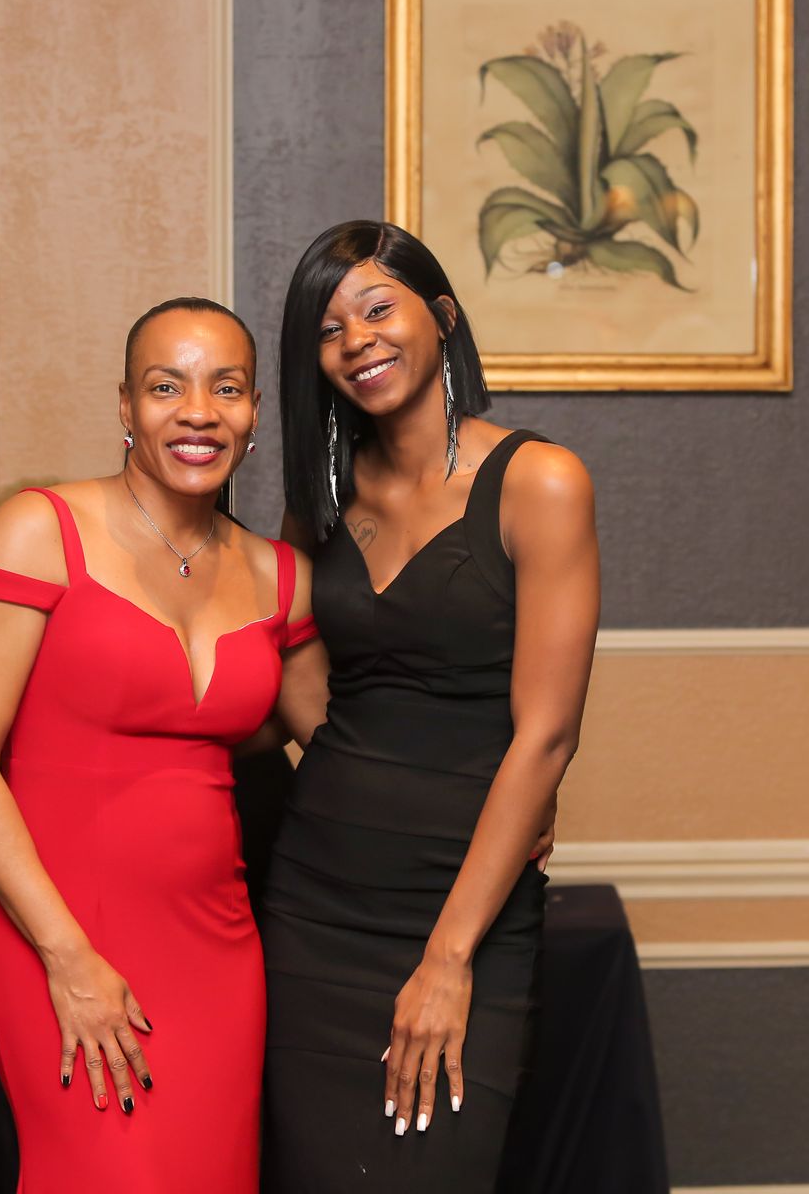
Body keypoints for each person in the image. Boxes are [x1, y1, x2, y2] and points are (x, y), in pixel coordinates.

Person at [0, 297, 317, 1194]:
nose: (198, 412)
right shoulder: (40, 529)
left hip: (217, 948)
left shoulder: (279, 576)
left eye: (226, 388)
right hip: (58, 936)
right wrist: (68, 960)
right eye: (166, 387)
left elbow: (346, 743)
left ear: (255, 411)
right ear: (125, 406)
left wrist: (510, 799)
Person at [258, 220, 600, 1190]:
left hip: (465, 910)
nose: (356, 340)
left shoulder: (540, 482)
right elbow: (286, 654)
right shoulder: (321, 493)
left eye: (378, 308)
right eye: (329, 328)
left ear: (441, 315)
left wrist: (449, 958)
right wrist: (367, 769)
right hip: (316, 899)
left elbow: (548, 734)